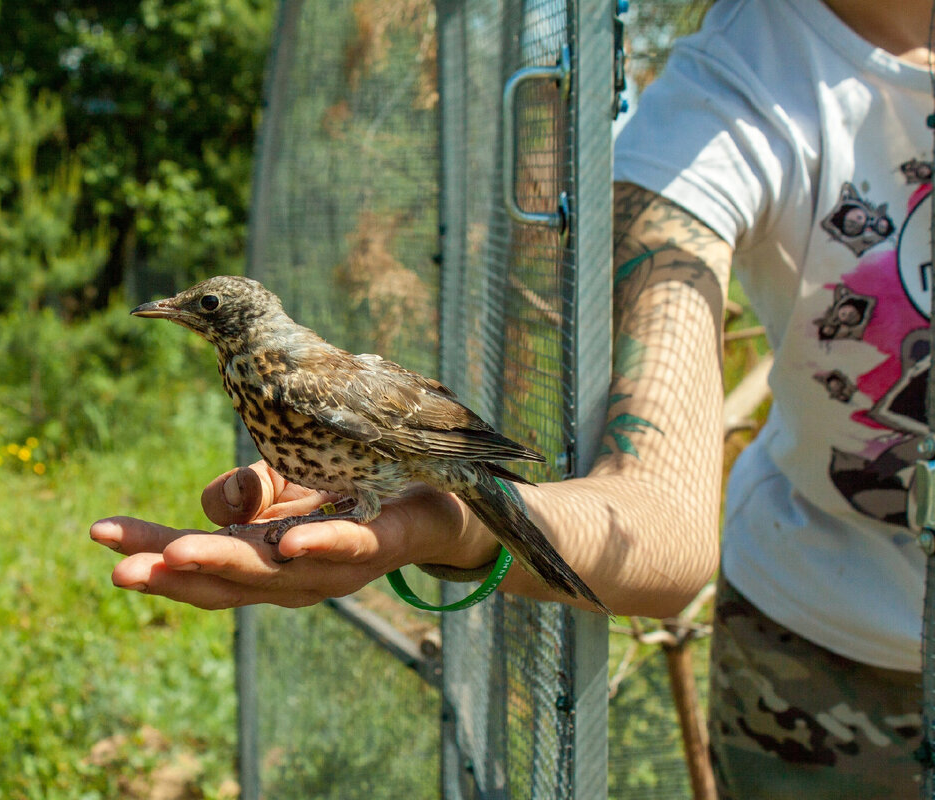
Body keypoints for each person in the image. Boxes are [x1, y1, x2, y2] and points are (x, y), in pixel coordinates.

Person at [91, 0, 933, 795]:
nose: (175, 313)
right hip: (823, 652)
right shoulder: (735, 88)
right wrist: (442, 528)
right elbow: (666, 517)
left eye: (196, 307)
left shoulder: (293, 376)